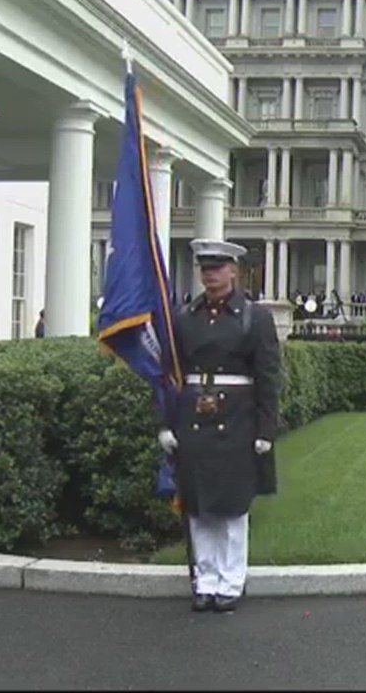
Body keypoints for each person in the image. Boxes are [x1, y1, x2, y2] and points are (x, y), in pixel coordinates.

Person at [156, 239, 280, 614]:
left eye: (218, 268)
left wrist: (265, 429)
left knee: (231, 506)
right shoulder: (184, 317)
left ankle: (231, 579)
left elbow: (268, 376)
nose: (211, 275)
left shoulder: (253, 317)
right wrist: (163, 422)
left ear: (234, 271)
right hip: (194, 418)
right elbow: (168, 374)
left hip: (237, 419)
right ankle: (205, 580)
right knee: (198, 505)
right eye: (205, 269)